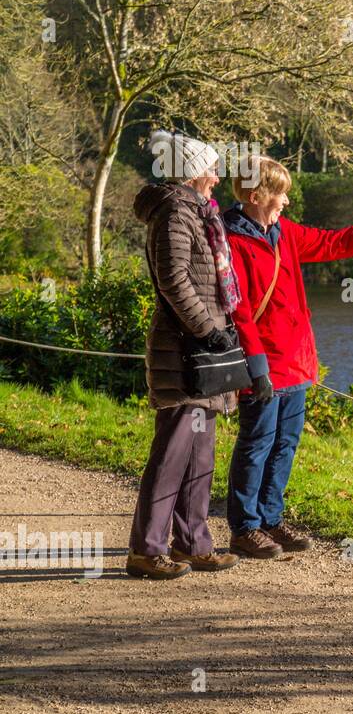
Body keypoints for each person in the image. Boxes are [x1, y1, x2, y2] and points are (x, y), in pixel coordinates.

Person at [223, 154, 353, 558]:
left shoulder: (284, 233)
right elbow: (240, 310)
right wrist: (256, 366)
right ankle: (245, 528)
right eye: (279, 193)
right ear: (255, 194)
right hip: (263, 365)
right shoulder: (233, 241)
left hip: (296, 362)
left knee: (285, 444)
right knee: (256, 444)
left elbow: (331, 242)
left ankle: (270, 519)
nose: (285, 202)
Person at [127, 131, 242, 579]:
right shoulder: (175, 210)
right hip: (184, 348)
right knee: (173, 452)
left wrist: (218, 333)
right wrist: (209, 330)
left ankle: (194, 543)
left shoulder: (199, 212)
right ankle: (147, 549)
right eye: (210, 169)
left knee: (200, 453)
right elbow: (174, 279)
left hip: (206, 349)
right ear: (191, 171)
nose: (216, 177)